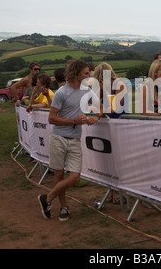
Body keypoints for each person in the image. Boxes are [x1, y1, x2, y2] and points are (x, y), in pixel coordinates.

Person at [38, 60, 101, 221]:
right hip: (58, 137)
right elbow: (52, 118)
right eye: (86, 73)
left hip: (74, 139)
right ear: (76, 73)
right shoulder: (61, 93)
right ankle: (64, 207)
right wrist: (74, 121)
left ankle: (47, 198)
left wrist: (95, 116)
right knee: (59, 174)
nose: (89, 76)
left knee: (75, 177)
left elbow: (100, 106)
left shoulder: (86, 90)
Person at [92, 62, 127, 204]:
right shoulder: (97, 88)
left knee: (117, 161)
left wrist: (105, 91)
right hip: (104, 128)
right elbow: (92, 106)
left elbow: (112, 108)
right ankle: (112, 192)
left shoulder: (119, 85)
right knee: (107, 161)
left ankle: (119, 192)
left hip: (118, 127)